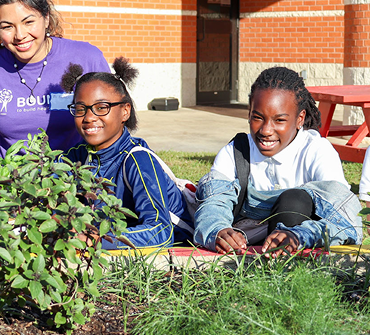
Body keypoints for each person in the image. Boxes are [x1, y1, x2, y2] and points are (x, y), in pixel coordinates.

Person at [193, 66, 361, 254]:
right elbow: (213, 204)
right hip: (245, 250)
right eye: (257, 118)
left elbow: (347, 221)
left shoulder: (317, 151)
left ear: (300, 119)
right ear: (249, 114)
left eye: (279, 120)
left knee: (294, 199)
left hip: (294, 255)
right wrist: (217, 230)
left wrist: (299, 235)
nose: (265, 130)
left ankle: (280, 266)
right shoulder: (236, 152)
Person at [0, 0, 111, 156]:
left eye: (28, 22)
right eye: (7, 26)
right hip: (8, 179)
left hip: (75, 177)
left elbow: (112, 120)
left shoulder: (87, 58)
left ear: (46, 18)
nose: (20, 35)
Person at [62, 58, 194, 249]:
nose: (89, 117)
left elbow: (160, 231)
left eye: (101, 107)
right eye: (81, 109)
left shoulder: (138, 160)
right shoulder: (76, 156)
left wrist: (96, 239)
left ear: (125, 111)